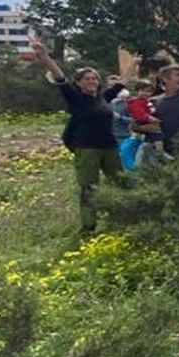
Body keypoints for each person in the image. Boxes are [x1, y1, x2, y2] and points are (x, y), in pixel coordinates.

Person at [29, 35, 122, 234]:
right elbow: (60, 77)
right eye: (87, 79)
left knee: (120, 183)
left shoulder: (103, 98)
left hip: (110, 147)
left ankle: (122, 219)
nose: (92, 81)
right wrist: (44, 56)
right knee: (89, 188)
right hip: (87, 148)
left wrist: (136, 65)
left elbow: (121, 84)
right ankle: (89, 226)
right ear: (79, 83)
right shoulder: (75, 98)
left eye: (95, 78)